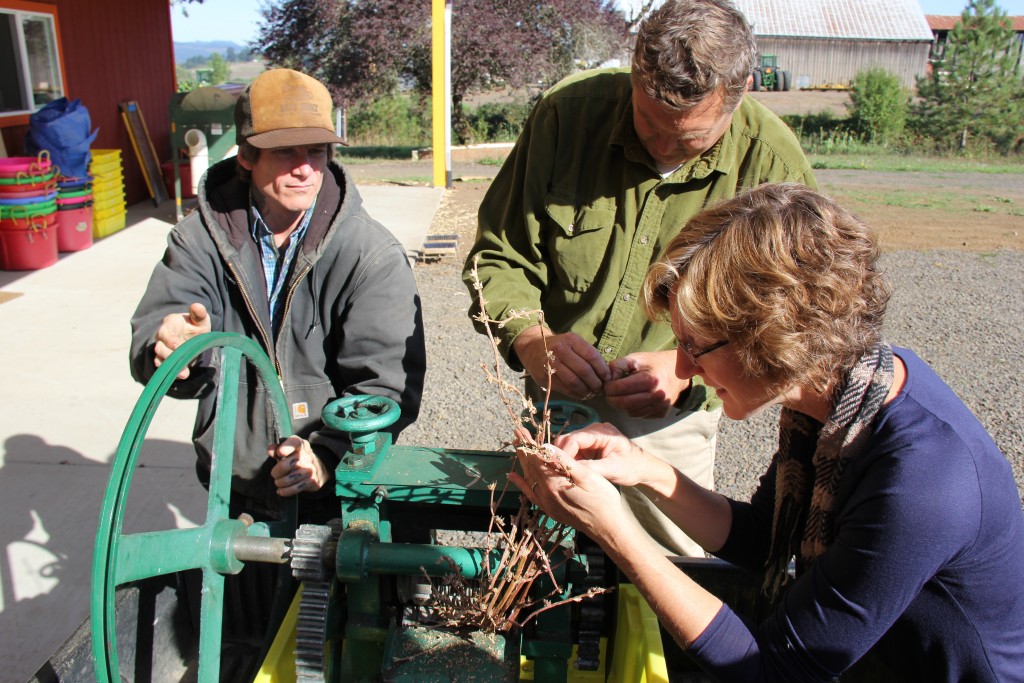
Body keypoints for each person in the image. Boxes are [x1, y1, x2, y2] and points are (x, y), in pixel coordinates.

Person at [512, 183, 1024, 682]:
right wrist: (645, 470)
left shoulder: (921, 482)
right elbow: (765, 539)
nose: (684, 369)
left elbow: (772, 670)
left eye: (697, 345)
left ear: (778, 336)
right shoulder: (838, 397)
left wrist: (613, 530)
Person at [463, 0, 815, 556]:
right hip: (555, 409)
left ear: (743, 90)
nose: (662, 146)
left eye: (690, 138)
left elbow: (792, 322)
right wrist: (531, 339)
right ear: (632, 71)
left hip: (671, 431)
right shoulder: (566, 116)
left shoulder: (770, 164)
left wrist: (684, 368)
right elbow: (499, 256)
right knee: (542, 576)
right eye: (649, 123)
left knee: (667, 582)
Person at [130, 68, 426, 524]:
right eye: (285, 151)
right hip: (232, 487)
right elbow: (158, 333)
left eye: (316, 150)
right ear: (247, 155)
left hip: (334, 497)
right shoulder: (198, 240)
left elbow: (386, 384)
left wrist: (328, 456)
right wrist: (170, 345)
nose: (305, 167)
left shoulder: (371, 255)